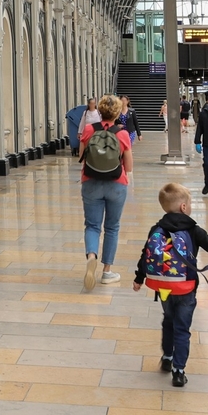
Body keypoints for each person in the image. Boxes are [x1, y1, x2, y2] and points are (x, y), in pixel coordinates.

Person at [133, 183, 208, 387]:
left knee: (168, 320)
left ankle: (167, 358)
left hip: (164, 288)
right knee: (182, 328)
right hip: (186, 287)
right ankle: (179, 371)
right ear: (184, 208)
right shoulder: (193, 230)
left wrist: (139, 278)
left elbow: (146, 255)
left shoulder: (156, 229)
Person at [78, 95, 133, 290]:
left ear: (99, 111)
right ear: (118, 112)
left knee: (92, 226)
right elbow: (129, 165)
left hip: (91, 182)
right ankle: (107, 271)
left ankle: (91, 255)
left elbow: (81, 156)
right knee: (112, 227)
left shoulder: (88, 130)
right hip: (116, 184)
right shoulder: (123, 134)